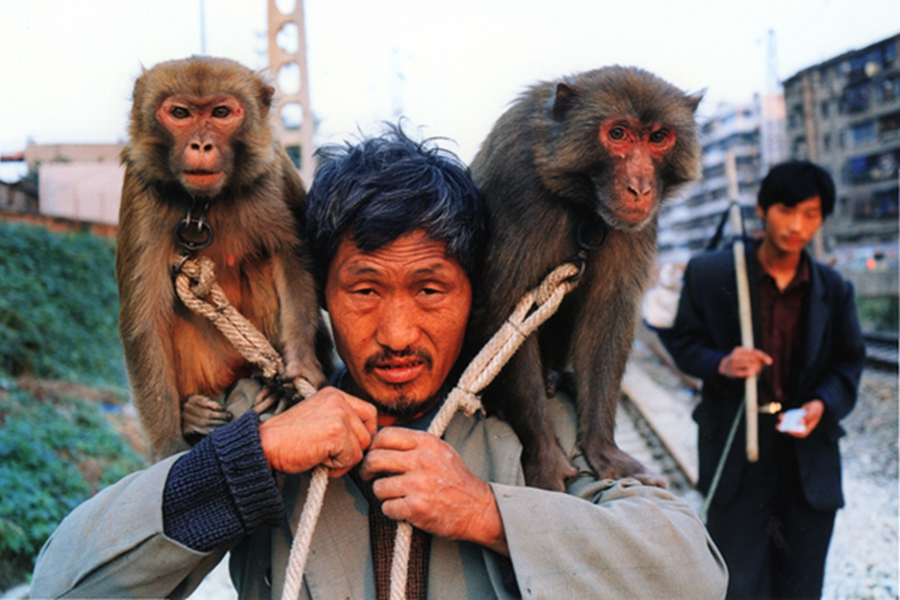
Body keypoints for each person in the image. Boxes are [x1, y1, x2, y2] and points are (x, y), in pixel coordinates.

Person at [30, 126, 727, 599]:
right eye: (364, 289)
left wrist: (485, 511)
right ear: (322, 293)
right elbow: (65, 583)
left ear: (474, 293)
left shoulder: (537, 429)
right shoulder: (263, 428)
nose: (396, 333)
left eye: (430, 289)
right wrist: (257, 455)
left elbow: (694, 574)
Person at [663, 160, 866, 599]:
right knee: (735, 585)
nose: (797, 225)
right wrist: (722, 363)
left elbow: (848, 365)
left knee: (801, 584)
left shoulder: (834, 289)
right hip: (737, 455)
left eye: (811, 214)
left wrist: (821, 405)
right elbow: (683, 342)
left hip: (807, 457)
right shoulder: (712, 273)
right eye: (786, 210)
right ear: (761, 209)